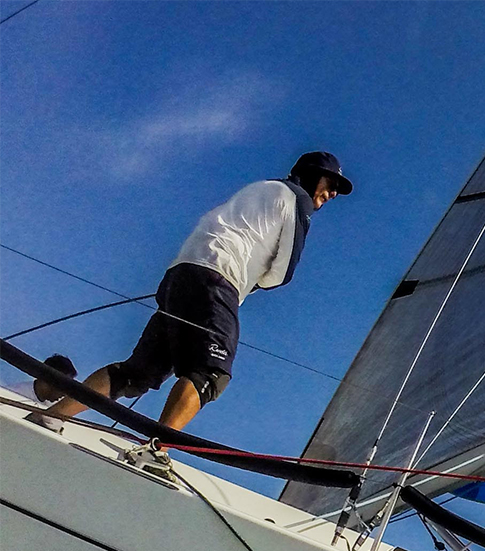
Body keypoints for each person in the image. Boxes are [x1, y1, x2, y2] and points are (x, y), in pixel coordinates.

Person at [33, 151, 352, 440]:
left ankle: (51, 417)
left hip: (182, 273)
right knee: (211, 373)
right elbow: (283, 273)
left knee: (136, 372)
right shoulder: (298, 199)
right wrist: (250, 284)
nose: (333, 192)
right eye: (331, 182)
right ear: (311, 175)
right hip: (217, 278)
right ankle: (156, 451)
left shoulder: (260, 189)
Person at [5, 353, 77, 405]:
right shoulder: (12, 394)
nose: (65, 394)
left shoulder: (54, 407)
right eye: (65, 387)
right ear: (51, 380)